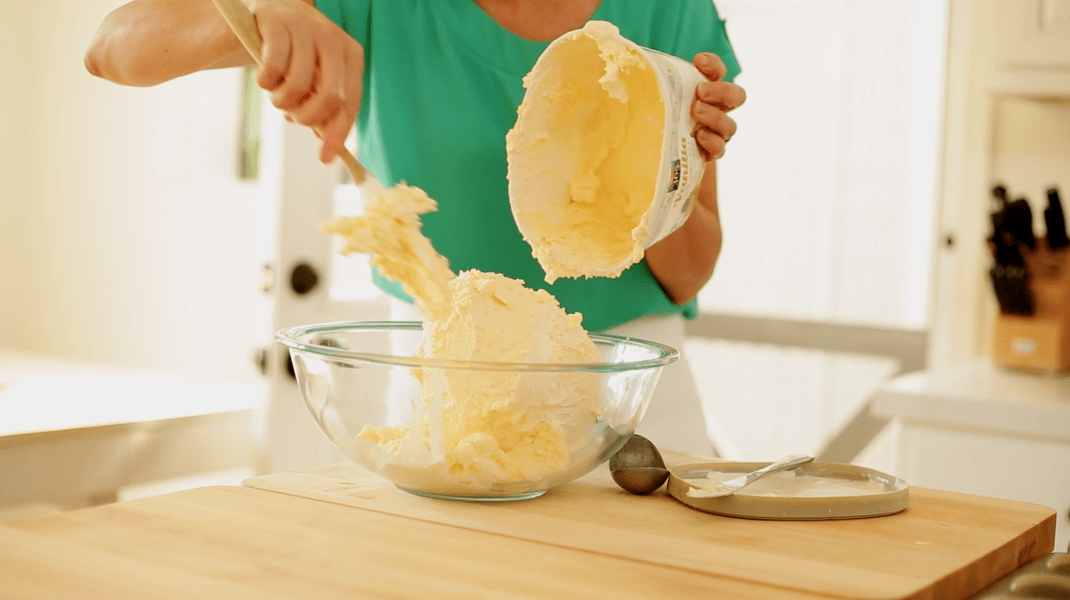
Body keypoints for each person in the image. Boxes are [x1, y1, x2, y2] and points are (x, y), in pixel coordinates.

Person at [85, 0, 746, 457]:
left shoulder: (673, 9)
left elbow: (688, 271)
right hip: (443, 396)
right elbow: (112, 47)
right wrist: (276, 9)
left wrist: (666, 174)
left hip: (632, 408)